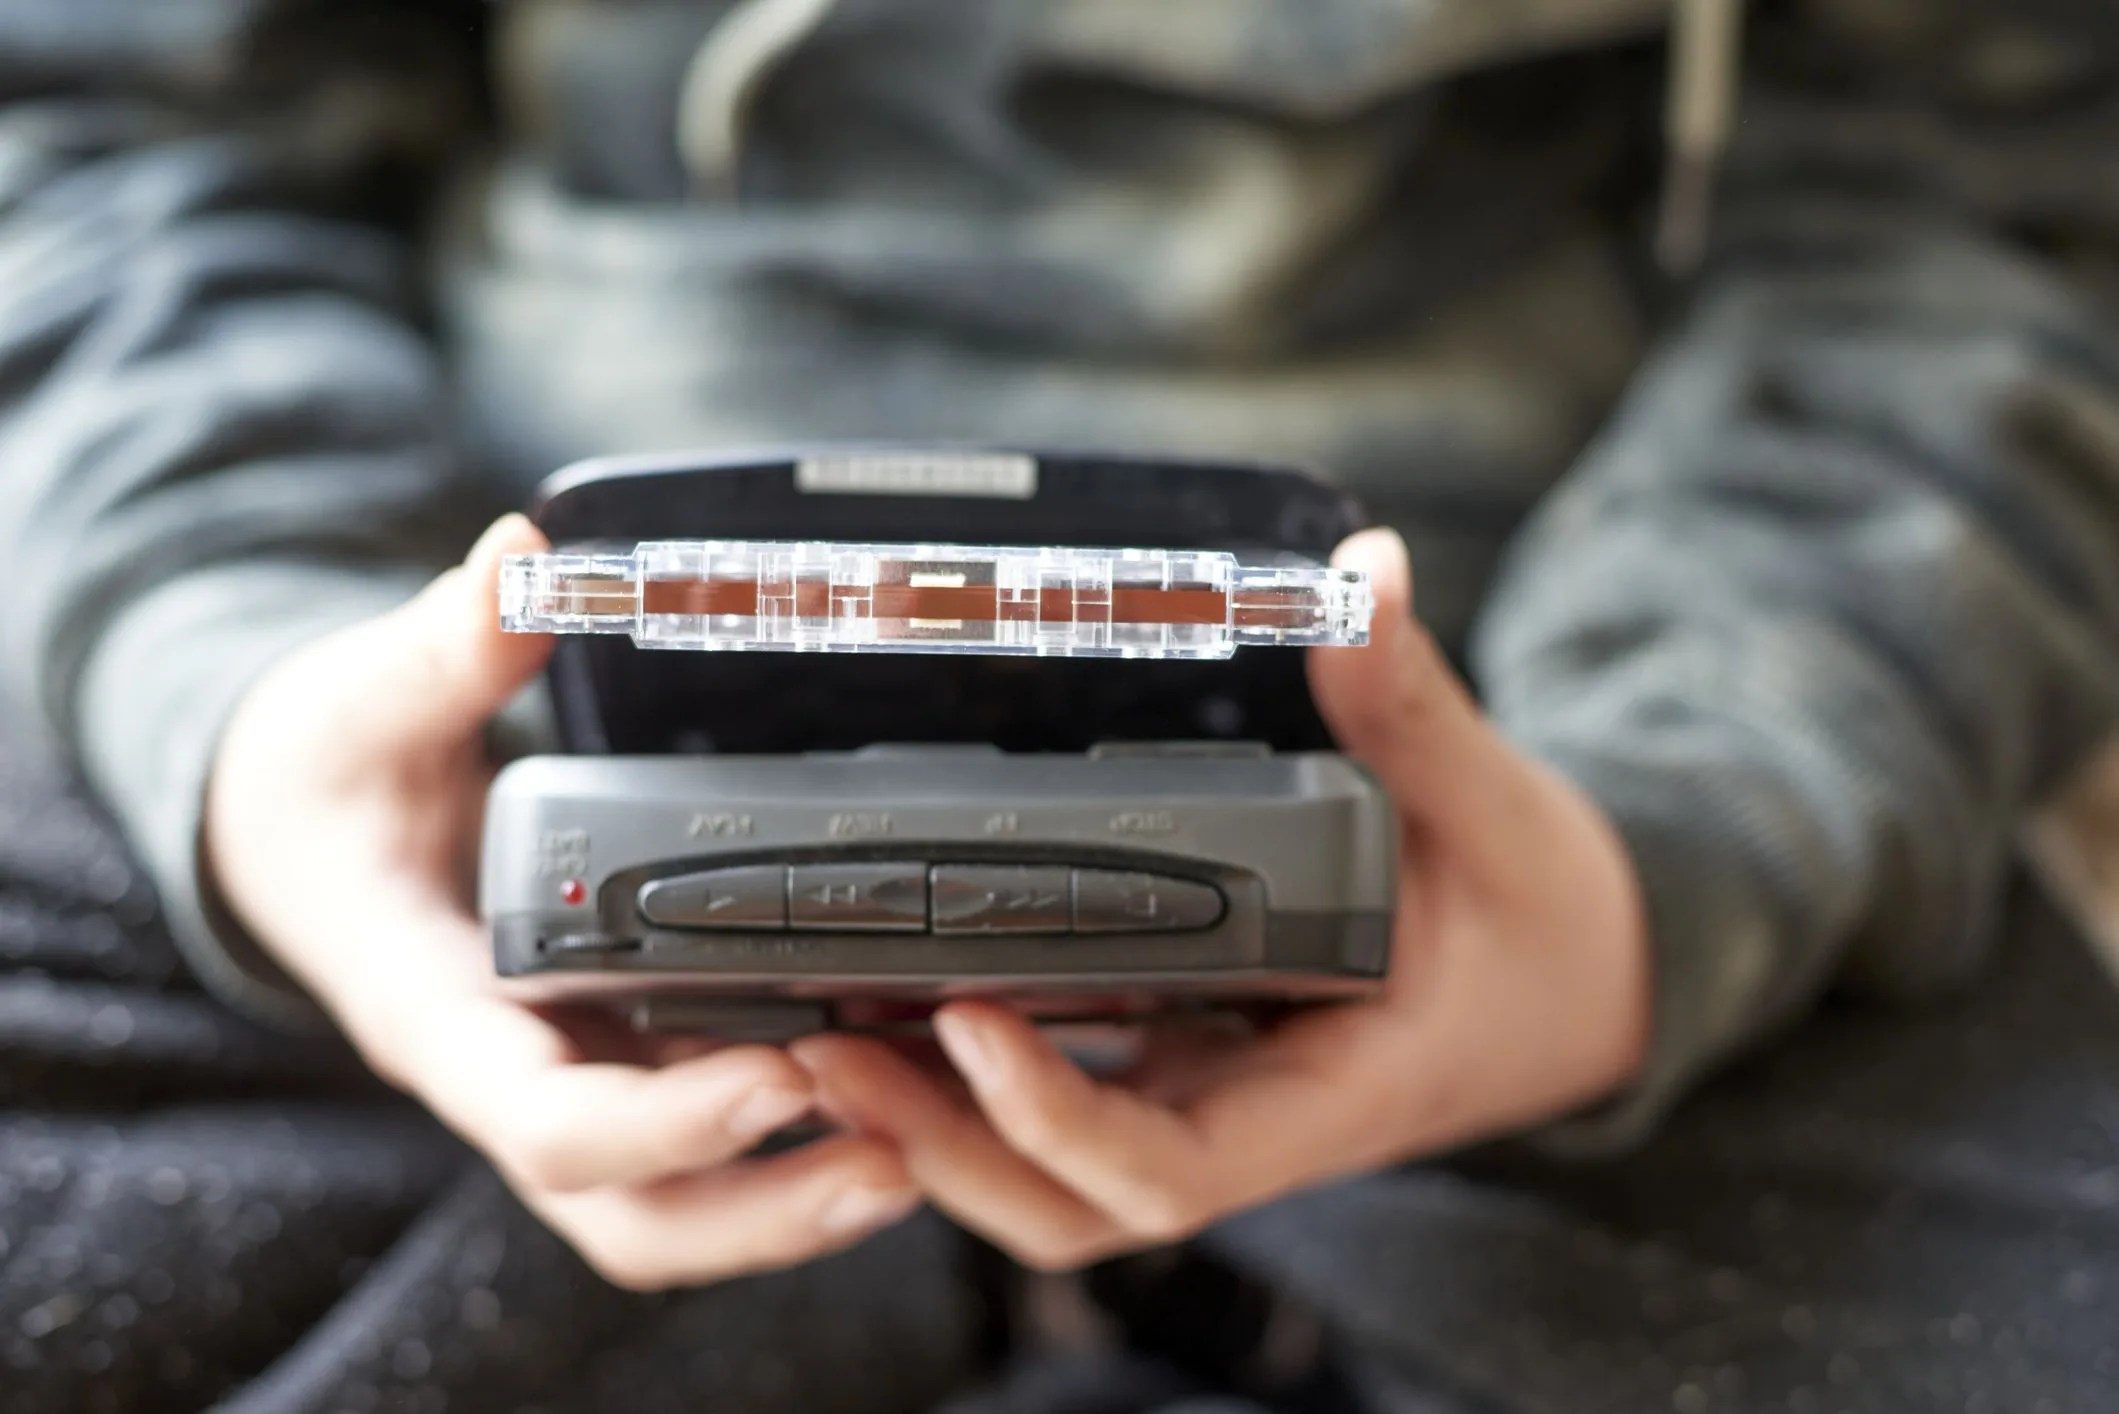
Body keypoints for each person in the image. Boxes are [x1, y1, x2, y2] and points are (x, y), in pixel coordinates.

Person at [2, 1, 2117, 1410]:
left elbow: (1988, 229)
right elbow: (111, 136)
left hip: (1514, 734)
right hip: (488, 678)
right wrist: (240, 695)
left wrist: (1688, 836)